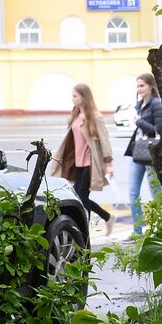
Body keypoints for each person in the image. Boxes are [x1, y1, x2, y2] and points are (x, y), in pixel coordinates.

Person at [53, 83, 115, 237]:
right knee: (78, 197)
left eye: (75, 96)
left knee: (81, 198)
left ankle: (83, 233)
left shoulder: (95, 117)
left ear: (84, 97)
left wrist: (108, 163)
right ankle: (107, 217)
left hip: (90, 163)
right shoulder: (75, 115)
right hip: (77, 163)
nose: (72, 98)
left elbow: (105, 140)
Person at [124, 73, 162, 236]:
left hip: (151, 153)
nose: (139, 89)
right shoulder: (140, 105)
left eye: (142, 86)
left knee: (156, 191)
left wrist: (138, 121)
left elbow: (158, 130)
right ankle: (137, 231)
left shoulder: (156, 104)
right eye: (137, 86)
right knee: (133, 192)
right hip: (138, 152)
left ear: (151, 86)